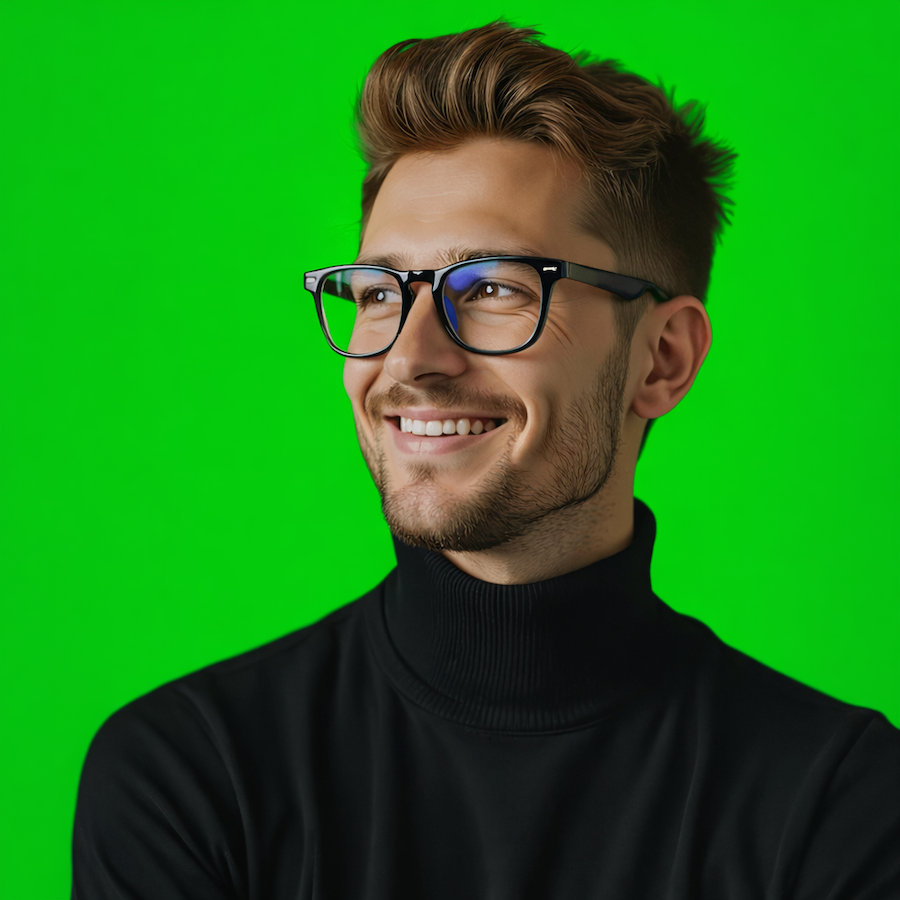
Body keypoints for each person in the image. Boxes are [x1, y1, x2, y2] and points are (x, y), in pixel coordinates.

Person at [72, 22, 900, 898]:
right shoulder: (196, 778)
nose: (409, 357)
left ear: (662, 360)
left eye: (497, 287)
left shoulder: (839, 803)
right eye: (379, 292)